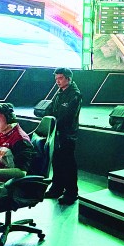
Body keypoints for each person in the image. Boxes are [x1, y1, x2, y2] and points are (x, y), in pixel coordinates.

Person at [45, 67, 82, 205]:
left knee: (68, 164)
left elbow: (67, 116)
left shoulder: (75, 95)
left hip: (67, 135)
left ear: (69, 78)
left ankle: (71, 192)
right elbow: (50, 109)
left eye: (60, 78)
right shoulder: (59, 92)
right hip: (57, 133)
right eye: (56, 78)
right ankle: (57, 188)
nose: (57, 81)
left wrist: (55, 122)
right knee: (57, 161)